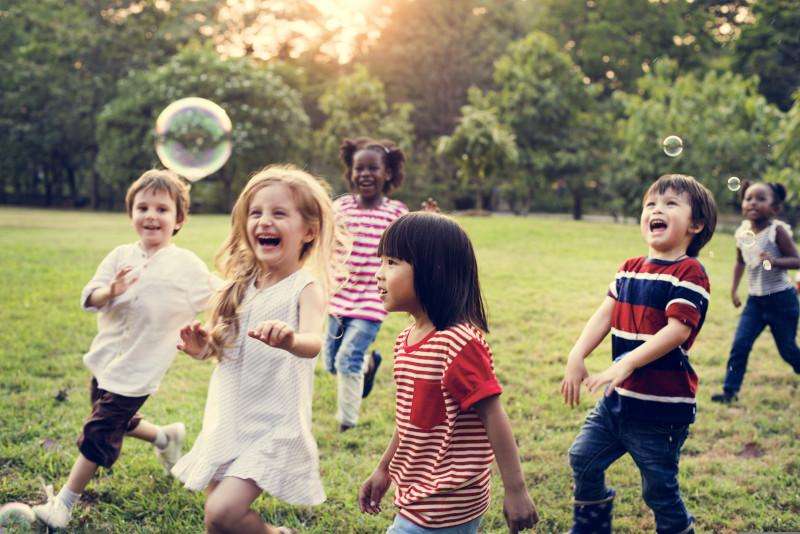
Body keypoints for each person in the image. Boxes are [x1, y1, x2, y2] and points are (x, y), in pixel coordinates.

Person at [33, 169, 219, 529]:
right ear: (130, 213)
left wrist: (248, 289)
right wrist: (111, 291)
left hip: (140, 369)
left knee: (99, 430)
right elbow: (91, 296)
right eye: (142, 207)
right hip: (106, 361)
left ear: (179, 219)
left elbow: (216, 290)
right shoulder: (120, 255)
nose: (151, 215)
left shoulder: (186, 266)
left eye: (162, 209)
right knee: (116, 419)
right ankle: (166, 436)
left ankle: (65, 503)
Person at [172, 165, 346, 534]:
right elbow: (226, 350)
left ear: (309, 231)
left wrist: (290, 340)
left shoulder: (305, 288)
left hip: (273, 424)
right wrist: (202, 348)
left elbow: (313, 342)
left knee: (223, 512)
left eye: (279, 213)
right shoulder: (240, 285)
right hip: (229, 419)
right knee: (216, 522)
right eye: (256, 213)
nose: (264, 221)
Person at [359, 212, 538, 533]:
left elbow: (494, 417)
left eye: (391, 262)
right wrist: (384, 469)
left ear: (432, 271)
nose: (378, 274)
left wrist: (516, 490)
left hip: (446, 498)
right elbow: (413, 418)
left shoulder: (458, 343)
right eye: (380, 261)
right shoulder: (406, 340)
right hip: (419, 491)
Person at [561, 174, 716, 534]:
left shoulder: (690, 273)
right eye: (651, 204)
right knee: (583, 458)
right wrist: (577, 353)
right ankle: (592, 527)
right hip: (617, 403)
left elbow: (677, 329)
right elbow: (605, 314)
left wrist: (626, 362)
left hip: (660, 410)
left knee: (658, 490)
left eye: (670, 204)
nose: (656, 209)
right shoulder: (629, 267)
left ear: (695, 224)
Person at [326, 137, 408, 431]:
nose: (365, 174)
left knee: (347, 357)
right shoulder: (340, 207)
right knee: (331, 363)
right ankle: (368, 366)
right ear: (350, 173)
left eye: (373, 168)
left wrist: (429, 220)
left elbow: (411, 241)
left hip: (373, 298)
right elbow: (324, 238)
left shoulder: (396, 212)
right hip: (338, 295)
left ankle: (347, 421)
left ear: (387, 173)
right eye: (358, 168)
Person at [711, 181, 800, 403]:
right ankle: (730, 391)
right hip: (755, 302)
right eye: (748, 198)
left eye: (761, 199)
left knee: (787, 349)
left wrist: (775, 261)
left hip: (782, 300)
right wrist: (733, 290)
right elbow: (740, 262)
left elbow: (797, 260)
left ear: (775, 208)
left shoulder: (776, 231)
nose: (753, 203)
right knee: (740, 344)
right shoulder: (741, 233)